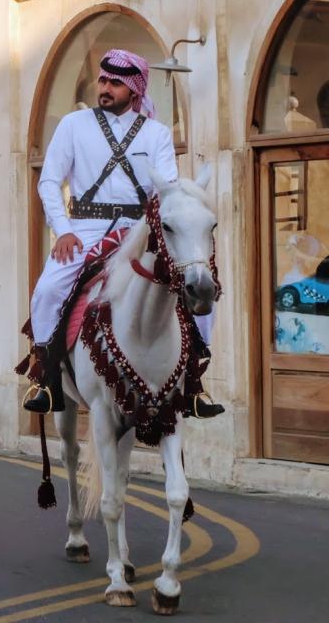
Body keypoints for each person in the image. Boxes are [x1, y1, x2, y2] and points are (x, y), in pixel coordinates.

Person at [23, 48, 222, 418]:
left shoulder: (156, 134)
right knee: (48, 290)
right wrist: (63, 230)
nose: (106, 88)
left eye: (115, 82)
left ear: (134, 89)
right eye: (103, 80)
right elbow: (50, 182)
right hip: (83, 230)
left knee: (198, 286)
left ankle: (194, 381)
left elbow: (167, 191)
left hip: (137, 232)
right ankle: (46, 378)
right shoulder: (73, 125)